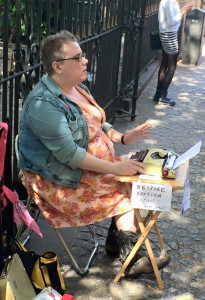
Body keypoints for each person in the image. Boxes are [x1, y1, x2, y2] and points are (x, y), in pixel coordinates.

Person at [18, 30, 170, 278]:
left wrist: (123, 138)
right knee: (124, 185)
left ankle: (116, 242)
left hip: (90, 168)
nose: (85, 61)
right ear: (57, 66)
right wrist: (115, 169)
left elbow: (98, 123)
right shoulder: (43, 103)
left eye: (83, 55)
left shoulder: (77, 86)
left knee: (138, 171)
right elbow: (68, 155)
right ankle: (129, 258)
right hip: (61, 180)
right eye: (77, 57)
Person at [153, 0, 193, 106]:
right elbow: (171, 22)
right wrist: (182, 12)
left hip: (168, 33)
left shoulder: (170, 1)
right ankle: (163, 95)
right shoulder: (167, 2)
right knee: (172, 66)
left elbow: (170, 18)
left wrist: (181, 11)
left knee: (164, 64)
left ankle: (158, 93)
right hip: (169, 34)